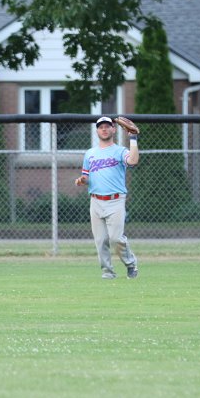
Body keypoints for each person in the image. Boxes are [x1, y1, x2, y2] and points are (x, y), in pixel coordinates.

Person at [75, 116, 139, 279]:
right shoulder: (90, 154)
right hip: (95, 200)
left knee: (116, 238)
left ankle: (131, 264)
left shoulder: (120, 151)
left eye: (107, 126)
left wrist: (133, 139)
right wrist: (82, 180)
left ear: (113, 129)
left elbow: (133, 161)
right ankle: (108, 272)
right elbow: (86, 176)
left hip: (115, 200)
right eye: (101, 127)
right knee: (100, 240)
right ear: (97, 131)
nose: (104, 129)